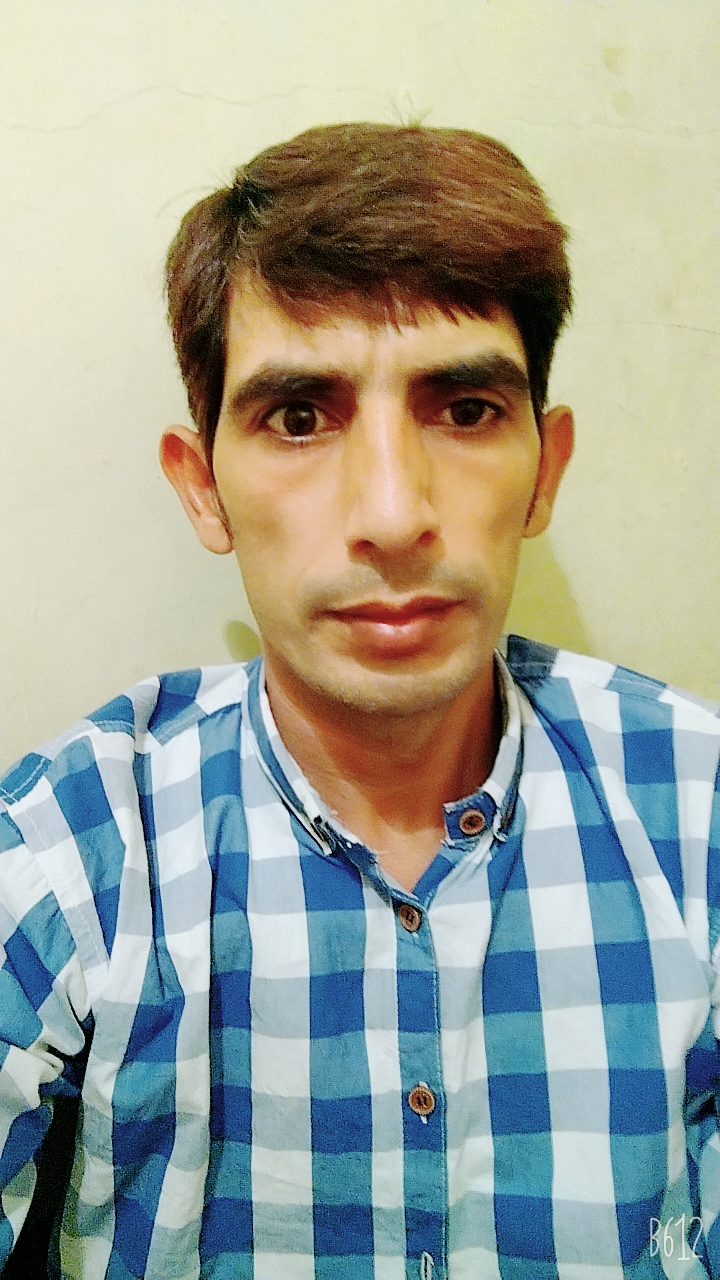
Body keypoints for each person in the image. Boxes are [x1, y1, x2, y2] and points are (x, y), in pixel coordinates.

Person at [0, 122, 718, 1280]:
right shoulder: (77, 843)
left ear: (544, 468)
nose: (392, 513)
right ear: (203, 488)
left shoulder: (698, 809)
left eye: (465, 408)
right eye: (299, 415)